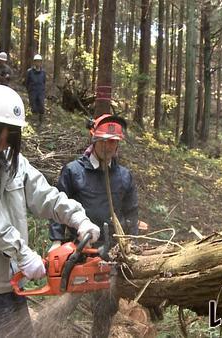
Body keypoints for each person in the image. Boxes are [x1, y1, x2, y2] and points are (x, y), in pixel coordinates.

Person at [0, 84, 100, 338]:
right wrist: (22, 252)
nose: (6, 140)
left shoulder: (12, 160)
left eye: (12, 134)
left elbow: (44, 195)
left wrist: (78, 218)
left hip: (12, 281)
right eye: (2, 133)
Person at [48, 113, 138, 338]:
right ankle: (42, 331)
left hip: (110, 252)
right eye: (107, 141)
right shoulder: (73, 171)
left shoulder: (124, 176)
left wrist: (133, 243)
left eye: (115, 142)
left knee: (104, 308)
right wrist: (57, 241)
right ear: (95, 140)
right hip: (79, 250)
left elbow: (131, 212)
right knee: (65, 302)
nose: (111, 146)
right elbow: (57, 206)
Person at [25, 54, 46, 124]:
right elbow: (26, 82)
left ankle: (41, 121)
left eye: (39, 61)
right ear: (34, 62)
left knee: (41, 106)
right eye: (36, 61)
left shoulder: (43, 72)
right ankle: (35, 121)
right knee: (34, 106)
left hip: (40, 92)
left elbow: (44, 81)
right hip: (32, 91)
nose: (38, 63)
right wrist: (30, 90)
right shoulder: (29, 72)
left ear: (41, 62)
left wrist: (42, 90)